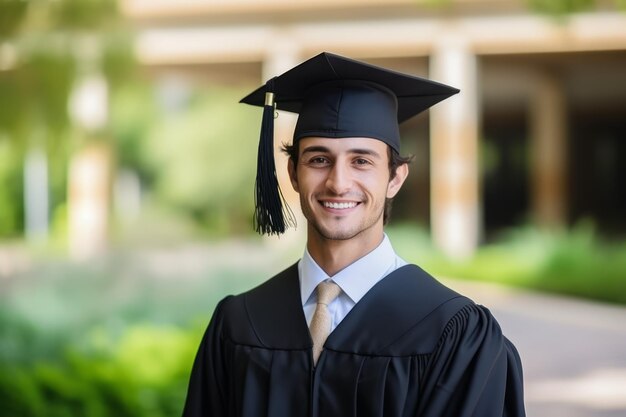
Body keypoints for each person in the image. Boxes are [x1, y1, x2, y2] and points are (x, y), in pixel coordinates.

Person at [182, 52, 526, 417]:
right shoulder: (239, 323)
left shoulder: (454, 333)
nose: (338, 182)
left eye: (361, 161)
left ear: (395, 178)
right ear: (294, 173)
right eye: (319, 159)